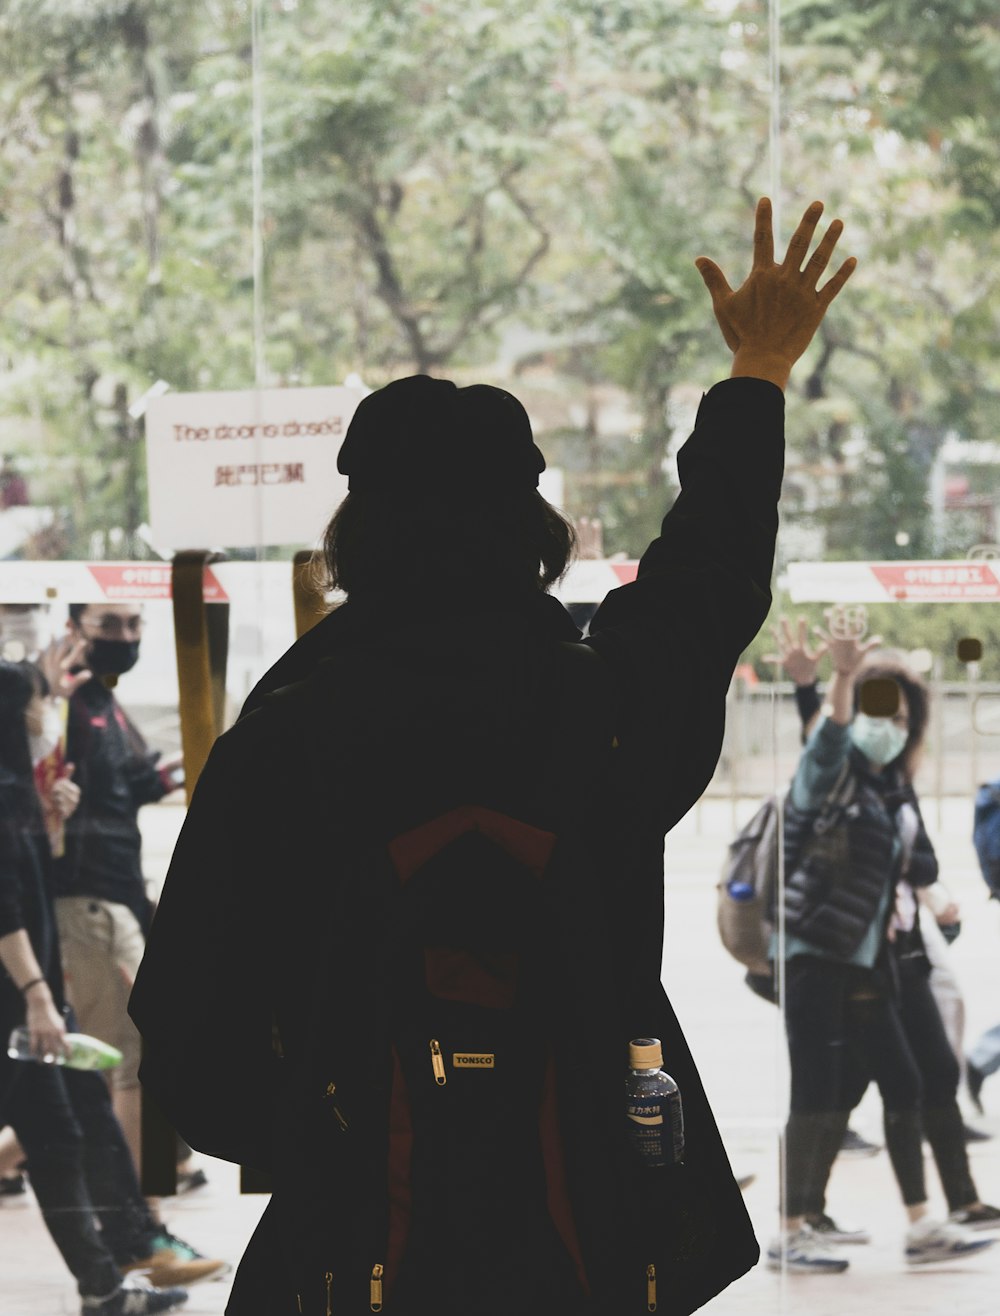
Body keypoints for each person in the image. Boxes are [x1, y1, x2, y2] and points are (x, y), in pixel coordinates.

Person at [129, 197, 856, 1315]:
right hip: (588, 1246)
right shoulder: (601, 705)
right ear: (536, 532)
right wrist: (756, 370)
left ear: (351, 537)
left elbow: (187, 1028)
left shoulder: (283, 738)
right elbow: (706, 574)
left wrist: (328, 1121)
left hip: (350, 1255)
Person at [769, 629, 1000, 1275]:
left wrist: (931, 903)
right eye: (881, 714)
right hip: (814, 954)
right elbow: (828, 735)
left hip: (869, 958)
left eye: (900, 718)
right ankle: (789, 1231)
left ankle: (926, 1224)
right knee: (818, 1088)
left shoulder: (883, 786)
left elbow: (915, 859)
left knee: (905, 1079)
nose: (890, 727)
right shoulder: (830, 775)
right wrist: (831, 681)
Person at [0, 660, 191, 1315]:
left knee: (58, 1140)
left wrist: (52, 828)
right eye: (37, 706)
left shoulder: (22, 788)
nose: (45, 719)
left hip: (34, 1003)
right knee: (63, 1130)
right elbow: (3, 907)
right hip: (19, 1005)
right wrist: (36, 994)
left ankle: (104, 1287)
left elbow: (31, 883)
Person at [48, 607, 225, 1273]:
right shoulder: (65, 704)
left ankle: (138, 1221)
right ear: (75, 626)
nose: (124, 637)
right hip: (86, 902)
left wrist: (191, 761)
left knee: (99, 1065)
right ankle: (139, 1224)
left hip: (113, 899)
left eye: (132, 624)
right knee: (121, 1059)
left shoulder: (104, 706)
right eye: (109, 624)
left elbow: (120, 791)